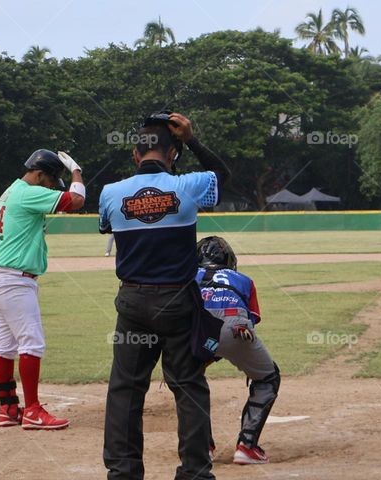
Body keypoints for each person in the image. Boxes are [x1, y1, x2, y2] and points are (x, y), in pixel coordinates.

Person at [99, 111, 230, 480]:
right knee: (189, 389)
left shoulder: (110, 192)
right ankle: (195, 473)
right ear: (173, 154)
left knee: (125, 389)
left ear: (134, 154)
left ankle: (123, 472)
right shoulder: (190, 185)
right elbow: (224, 176)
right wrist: (192, 139)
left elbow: (108, 226)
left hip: (133, 303)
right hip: (179, 302)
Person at [0, 149, 85, 429]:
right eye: (50, 180)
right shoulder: (28, 193)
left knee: (5, 347)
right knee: (32, 343)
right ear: (38, 174)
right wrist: (76, 171)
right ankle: (33, 410)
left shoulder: (10, 191)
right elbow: (77, 200)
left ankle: (8, 409)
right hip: (14, 281)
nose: (50, 187)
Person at [195, 236, 280, 465]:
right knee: (268, 378)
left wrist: (210, 352)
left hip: (201, 334)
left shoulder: (185, 277)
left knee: (189, 379)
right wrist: (224, 348)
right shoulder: (244, 279)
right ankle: (247, 446)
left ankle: (202, 448)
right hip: (236, 330)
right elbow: (249, 321)